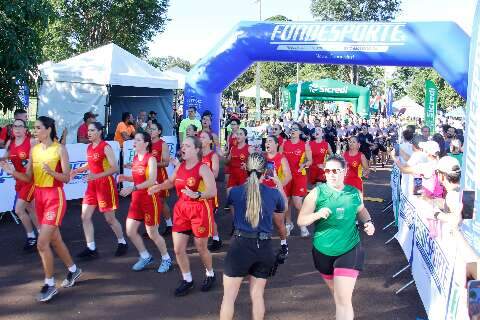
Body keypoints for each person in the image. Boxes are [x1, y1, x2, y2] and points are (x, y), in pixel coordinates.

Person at [1, 116, 82, 302]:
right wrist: (11, 171)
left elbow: (67, 178)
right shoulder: (34, 150)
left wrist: (52, 172)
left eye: (38, 128)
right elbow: (28, 178)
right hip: (39, 197)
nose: (35, 131)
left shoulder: (59, 149)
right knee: (56, 239)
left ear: (48, 129)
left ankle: (49, 284)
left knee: (42, 243)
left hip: (55, 197)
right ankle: (73, 270)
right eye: (34, 128)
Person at [297, 154, 375, 320]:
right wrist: (317, 214)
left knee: (343, 300)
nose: (331, 174)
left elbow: (361, 210)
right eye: (328, 170)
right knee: (338, 296)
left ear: (344, 171)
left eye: (335, 170)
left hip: (349, 248)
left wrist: (368, 222)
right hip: (323, 250)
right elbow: (301, 220)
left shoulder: (354, 193)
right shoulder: (317, 193)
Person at [219, 153, 287, 320]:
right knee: (257, 296)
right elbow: (282, 208)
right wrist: (279, 185)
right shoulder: (273, 193)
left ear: (246, 169)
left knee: (229, 298)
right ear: (265, 172)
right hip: (263, 248)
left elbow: (226, 204)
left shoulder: (234, 192)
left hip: (240, 247)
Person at [148, 136, 217, 297]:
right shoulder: (180, 167)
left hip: (200, 209)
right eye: (182, 146)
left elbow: (212, 191)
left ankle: (210, 274)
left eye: (187, 146)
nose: (183, 148)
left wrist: (197, 194)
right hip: (181, 210)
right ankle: (187, 279)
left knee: (201, 247)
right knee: (178, 250)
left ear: (197, 150)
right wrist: (158, 186)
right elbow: (171, 182)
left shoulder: (203, 168)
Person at [71, 122, 128, 258]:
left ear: (99, 132)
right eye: (88, 131)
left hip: (105, 185)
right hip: (92, 186)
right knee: (85, 216)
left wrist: (96, 175)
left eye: (92, 130)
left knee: (110, 219)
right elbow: (90, 164)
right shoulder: (90, 147)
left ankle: (122, 242)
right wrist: (78, 170)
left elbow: (114, 168)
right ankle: (91, 248)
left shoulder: (106, 147)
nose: (88, 133)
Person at [118, 132, 172, 273]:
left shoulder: (151, 159)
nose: (134, 142)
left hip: (149, 198)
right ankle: (145, 256)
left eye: (137, 140)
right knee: (130, 231)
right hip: (137, 199)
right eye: (134, 140)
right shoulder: (135, 158)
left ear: (146, 143)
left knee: (152, 233)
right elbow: (138, 179)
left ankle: (166, 258)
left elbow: (150, 180)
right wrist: (127, 178)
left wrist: (133, 187)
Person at [0, 119, 38, 251]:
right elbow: (4, 158)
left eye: (20, 126)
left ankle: (32, 237)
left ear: (25, 129)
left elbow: (35, 161)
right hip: (18, 180)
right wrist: (3, 163)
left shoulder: (32, 142)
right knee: (31, 209)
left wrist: (30, 164)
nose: (17, 128)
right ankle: (44, 234)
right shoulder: (10, 143)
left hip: (30, 180)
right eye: (14, 126)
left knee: (19, 210)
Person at [280, 122, 312, 237]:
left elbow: (310, 160)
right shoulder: (284, 144)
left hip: (299, 176)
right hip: (286, 176)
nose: (293, 131)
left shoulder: (304, 145)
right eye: (291, 129)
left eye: (295, 129)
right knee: (286, 202)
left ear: (300, 132)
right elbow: (278, 158)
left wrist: (304, 165)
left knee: (298, 203)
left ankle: (302, 224)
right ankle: (288, 224)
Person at [264, 135, 291, 253]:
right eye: (266, 142)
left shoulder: (281, 158)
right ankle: (263, 244)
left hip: (276, 194)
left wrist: (277, 185)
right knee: (262, 219)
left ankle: (284, 243)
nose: (267, 143)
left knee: (279, 222)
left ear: (276, 145)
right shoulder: (262, 157)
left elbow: (288, 176)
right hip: (263, 192)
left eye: (270, 141)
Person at [147, 121, 173, 236]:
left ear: (159, 131)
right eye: (150, 129)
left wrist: (151, 163)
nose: (151, 131)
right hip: (148, 175)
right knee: (149, 202)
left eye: (153, 129)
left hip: (159, 175)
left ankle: (169, 225)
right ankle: (152, 228)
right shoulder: (146, 143)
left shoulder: (163, 144)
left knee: (161, 201)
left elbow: (166, 163)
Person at [199, 131, 222, 251]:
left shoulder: (213, 155)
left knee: (210, 216)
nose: (200, 139)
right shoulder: (197, 154)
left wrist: (201, 175)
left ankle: (216, 239)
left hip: (209, 190)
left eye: (204, 137)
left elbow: (215, 173)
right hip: (197, 189)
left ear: (210, 141)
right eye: (200, 137)